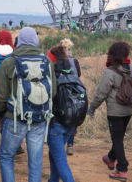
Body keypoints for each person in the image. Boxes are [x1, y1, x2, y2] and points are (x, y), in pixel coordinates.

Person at [0, 27, 56, 182]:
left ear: (19, 41)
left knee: (6, 156)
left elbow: (1, 95)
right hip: (39, 117)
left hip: (15, 118)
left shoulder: (9, 62)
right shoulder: (47, 62)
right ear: (36, 41)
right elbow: (53, 92)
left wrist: (1, 112)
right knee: (35, 162)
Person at [87, 41, 132, 182]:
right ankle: (110, 158)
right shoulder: (131, 69)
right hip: (129, 109)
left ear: (111, 55)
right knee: (119, 137)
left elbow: (101, 94)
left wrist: (91, 109)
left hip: (115, 111)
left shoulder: (110, 71)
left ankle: (122, 168)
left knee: (117, 139)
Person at [47, 45, 76, 182]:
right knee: (55, 153)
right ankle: (53, 180)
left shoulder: (51, 72)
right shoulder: (71, 70)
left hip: (56, 123)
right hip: (71, 122)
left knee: (59, 157)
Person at [59, 39, 81, 156]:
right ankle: (70, 145)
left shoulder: (57, 62)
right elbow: (79, 75)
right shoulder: (75, 61)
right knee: (73, 118)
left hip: (62, 94)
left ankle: (60, 144)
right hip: (74, 93)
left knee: (62, 119)